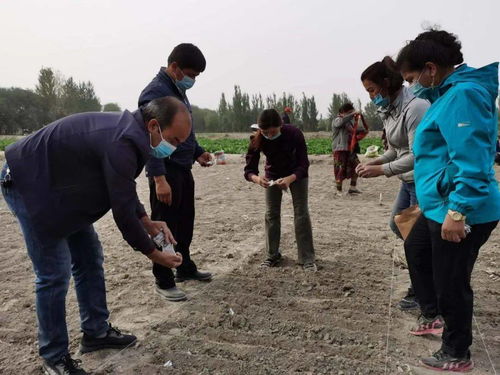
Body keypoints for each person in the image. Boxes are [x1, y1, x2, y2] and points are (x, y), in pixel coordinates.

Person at [0, 97, 191, 374]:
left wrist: (147, 222)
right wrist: (153, 253)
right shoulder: (123, 141)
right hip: (28, 182)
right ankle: (53, 357)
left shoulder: (134, 137)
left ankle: (95, 332)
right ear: (153, 126)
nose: (175, 146)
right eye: (174, 139)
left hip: (61, 188)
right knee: (54, 273)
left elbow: (122, 189)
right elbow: (122, 212)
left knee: (89, 258)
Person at [396, 29, 500, 371]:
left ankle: (457, 352)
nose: (411, 86)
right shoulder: (447, 94)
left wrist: (458, 210)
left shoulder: (464, 96)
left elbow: (473, 159)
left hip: (462, 207)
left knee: (451, 281)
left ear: (430, 68)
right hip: (440, 203)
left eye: (411, 78)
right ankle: (434, 315)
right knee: (417, 249)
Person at [139, 43, 213, 303]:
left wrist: (197, 152)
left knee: (184, 222)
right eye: (191, 75)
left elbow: (183, 131)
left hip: (182, 167)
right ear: (174, 68)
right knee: (164, 226)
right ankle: (164, 278)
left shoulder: (176, 91)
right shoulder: (155, 93)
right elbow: (152, 139)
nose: (193, 80)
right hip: (165, 170)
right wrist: (159, 178)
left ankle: (184, 266)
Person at [357, 56, 430, 310]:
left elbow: (416, 155)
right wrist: (374, 163)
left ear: (387, 83)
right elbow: (396, 150)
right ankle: (423, 281)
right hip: (407, 182)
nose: (371, 97)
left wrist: (382, 171)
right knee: (398, 226)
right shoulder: (389, 110)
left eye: (372, 90)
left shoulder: (416, 108)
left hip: (423, 183)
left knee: (417, 240)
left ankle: (423, 291)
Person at [244, 109, 316, 271]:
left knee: (301, 213)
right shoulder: (257, 139)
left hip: (296, 174)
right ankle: (272, 255)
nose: (269, 136)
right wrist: (258, 179)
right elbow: (249, 170)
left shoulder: (294, 133)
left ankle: (306, 258)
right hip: (272, 175)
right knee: (271, 214)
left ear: (281, 126)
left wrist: (291, 178)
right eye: (265, 132)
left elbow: (304, 164)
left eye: (273, 132)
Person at [331, 102, 368, 197]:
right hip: (340, 150)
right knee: (339, 169)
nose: (352, 115)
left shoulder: (349, 121)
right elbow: (341, 122)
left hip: (350, 149)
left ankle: (352, 188)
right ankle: (339, 191)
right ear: (343, 112)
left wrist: (363, 129)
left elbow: (354, 130)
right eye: (349, 112)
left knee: (357, 166)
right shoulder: (337, 120)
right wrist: (353, 113)